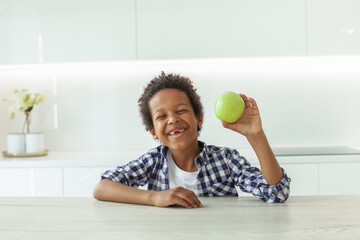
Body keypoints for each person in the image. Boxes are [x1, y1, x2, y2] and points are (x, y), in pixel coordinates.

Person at [93, 72, 291, 208]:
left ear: (199, 118)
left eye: (181, 111)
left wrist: (255, 135)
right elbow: (102, 188)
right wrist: (154, 197)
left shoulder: (227, 160)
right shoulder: (152, 162)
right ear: (153, 131)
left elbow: (277, 193)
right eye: (162, 116)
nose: (173, 119)